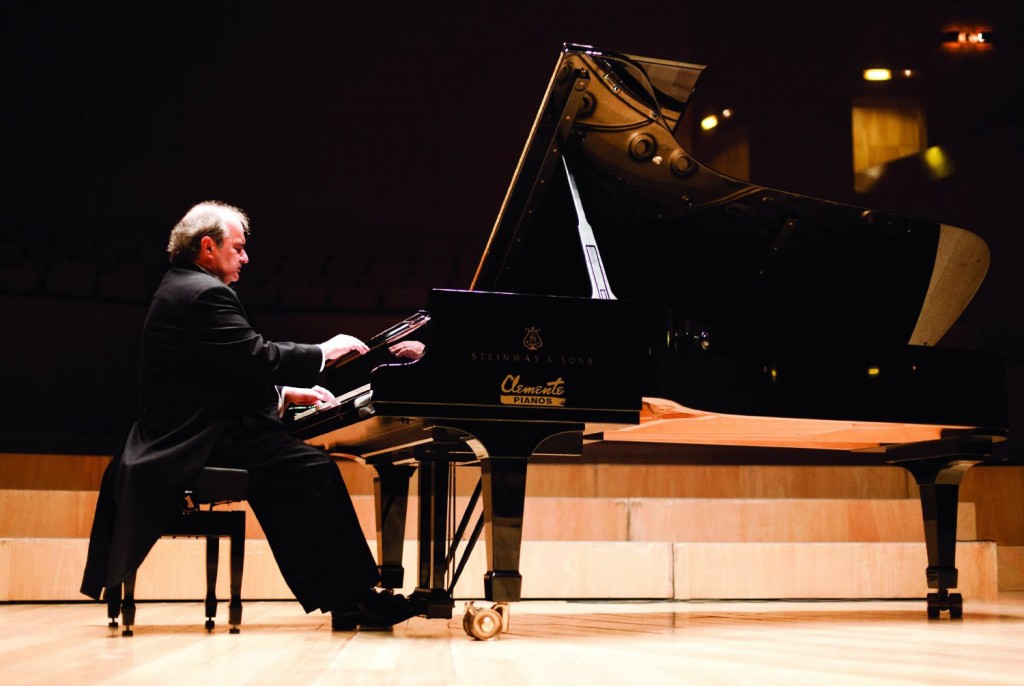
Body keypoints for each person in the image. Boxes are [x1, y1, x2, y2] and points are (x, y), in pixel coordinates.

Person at [81, 200, 422, 630]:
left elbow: (222, 373)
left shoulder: (181, 287)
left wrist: (284, 396)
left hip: (188, 432)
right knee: (311, 470)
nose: (246, 257)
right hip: (193, 441)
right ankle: (354, 599)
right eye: (238, 248)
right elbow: (255, 355)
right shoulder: (204, 294)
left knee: (295, 469)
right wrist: (322, 351)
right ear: (208, 247)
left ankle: (348, 597)